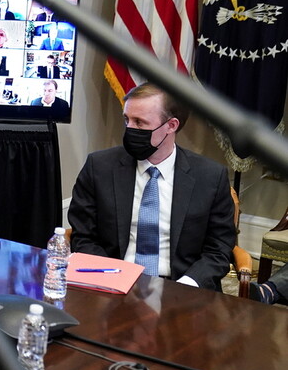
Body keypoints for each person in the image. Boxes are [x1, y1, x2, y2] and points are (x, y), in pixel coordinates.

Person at [68, 82, 235, 290]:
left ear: (171, 126)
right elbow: (83, 237)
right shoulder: (99, 167)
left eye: (140, 123)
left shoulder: (210, 177)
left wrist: (187, 285)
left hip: (181, 286)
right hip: (112, 280)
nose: (130, 129)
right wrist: (114, 278)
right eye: (127, 120)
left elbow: (218, 248)